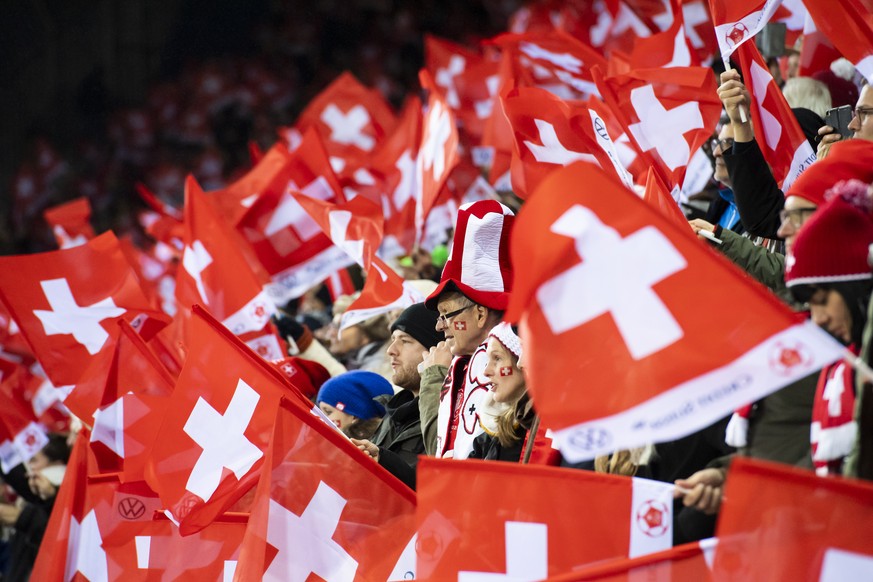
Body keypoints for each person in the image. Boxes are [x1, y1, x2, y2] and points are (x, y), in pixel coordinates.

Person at [419, 200, 515, 459]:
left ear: (481, 314)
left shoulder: (515, 369)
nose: (440, 326)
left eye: (446, 315)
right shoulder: (458, 364)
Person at [352, 302, 442, 489]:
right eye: (393, 339)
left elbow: (432, 491)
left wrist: (385, 461)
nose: (391, 350)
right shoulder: (395, 411)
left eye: (405, 340)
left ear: (434, 351)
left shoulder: (448, 415)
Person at [468, 322, 558, 464]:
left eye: (497, 358)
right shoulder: (489, 433)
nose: (486, 371)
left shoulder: (537, 428)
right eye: (488, 360)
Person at [316, 370, 394, 440]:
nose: (321, 418)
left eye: (328, 412)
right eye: (321, 412)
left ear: (355, 416)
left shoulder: (372, 452)